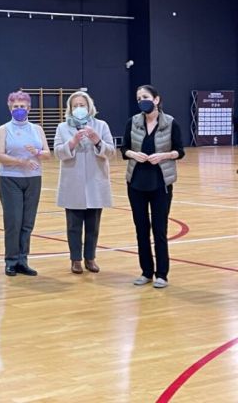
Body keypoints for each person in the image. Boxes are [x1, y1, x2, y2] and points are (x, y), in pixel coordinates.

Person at [121, 84, 184, 289]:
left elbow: (179, 151)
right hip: (136, 183)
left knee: (159, 230)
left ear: (156, 99)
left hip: (160, 184)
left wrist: (164, 156)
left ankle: (162, 274)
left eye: (145, 97)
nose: (142, 101)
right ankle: (146, 271)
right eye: (139, 98)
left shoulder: (170, 123)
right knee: (141, 229)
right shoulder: (133, 122)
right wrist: (133, 154)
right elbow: (124, 148)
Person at [53, 91, 115, 274]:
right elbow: (57, 153)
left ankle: (90, 258)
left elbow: (111, 152)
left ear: (89, 107)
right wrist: (71, 143)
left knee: (93, 225)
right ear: (70, 109)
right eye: (75, 106)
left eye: (82, 105)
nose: (79, 109)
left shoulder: (101, 126)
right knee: (73, 225)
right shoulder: (62, 127)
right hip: (72, 182)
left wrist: (98, 141)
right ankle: (75, 260)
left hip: (95, 182)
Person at [0, 90, 50, 276]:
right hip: (10, 178)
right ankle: (10, 260)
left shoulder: (37, 129)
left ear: (29, 108)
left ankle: (22, 260)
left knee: (27, 222)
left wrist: (36, 152)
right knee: (13, 221)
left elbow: (48, 154)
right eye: (15, 106)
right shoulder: (4, 129)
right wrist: (21, 162)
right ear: (10, 108)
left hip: (34, 179)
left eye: (22, 106)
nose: (19, 109)